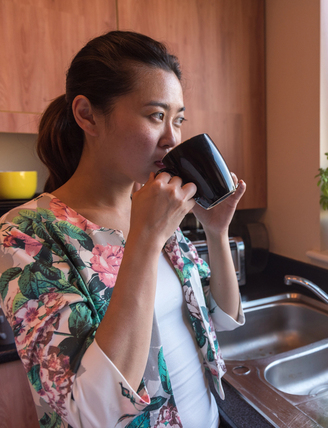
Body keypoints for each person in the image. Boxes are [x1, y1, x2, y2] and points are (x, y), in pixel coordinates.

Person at [0, 31, 246, 427]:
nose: (172, 138)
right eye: (156, 116)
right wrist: (145, 239)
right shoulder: (25, 235)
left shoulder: (155, 206)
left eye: (178, 120)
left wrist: (216, 233)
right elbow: (92, 412)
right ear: (87, 115)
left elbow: (221, 319)